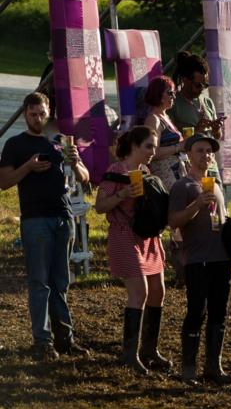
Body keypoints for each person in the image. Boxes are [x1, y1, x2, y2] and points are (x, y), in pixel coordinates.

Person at [0, 92, 89, 361]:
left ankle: (65, 338)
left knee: (60, 281)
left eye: (42, 113)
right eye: (32, 114)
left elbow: (85, 179)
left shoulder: (60, 143)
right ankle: (42, 340)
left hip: (63, 216)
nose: (38, 118)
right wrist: (28, 166)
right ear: (25, 114)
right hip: (35, 219)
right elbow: (4, 182)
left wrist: (76, 161)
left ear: (48, 111)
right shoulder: (15, 144)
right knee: (40, 282)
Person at [94, 126, 168, 374]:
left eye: (155, 147)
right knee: (140, 293)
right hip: (124, 235)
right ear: (134, 146)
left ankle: (149, 350)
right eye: (149, 146)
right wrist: (123, 193)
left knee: (158, 291)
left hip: (147, 236)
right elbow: (100, 207)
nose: (152, 152)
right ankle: (130, 354)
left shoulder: (145, 171)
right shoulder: (116, 171)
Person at [167, 133, 231, 385]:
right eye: (200, 151)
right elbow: (173, 221)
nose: (206, 155)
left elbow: (221, 219)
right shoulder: (182, 186)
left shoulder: (215, 184)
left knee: (219, 312)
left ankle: (213, 366)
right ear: (189, 155)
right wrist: (196, 204)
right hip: (196, 258)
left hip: (221, 258)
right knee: (197, 311)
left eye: (209, 151)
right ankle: (188, 368)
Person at [141, 76, 185, 190]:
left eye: (174, 93)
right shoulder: (153, 119)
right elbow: (151, 152)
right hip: (165, 173)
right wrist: (178, 147)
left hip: (176, 170)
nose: (174, 97)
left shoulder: (165, 117)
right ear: (159, 94)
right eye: (170, 93)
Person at [168, 51, 223, 141]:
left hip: (208, 154)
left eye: (205, 85)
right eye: (198, 85)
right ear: (185, 80)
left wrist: (216, 130)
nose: (202, 89)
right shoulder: (172, 103)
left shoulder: (207, 102)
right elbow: (170, 140)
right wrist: (196, 131)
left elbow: (217, 136)